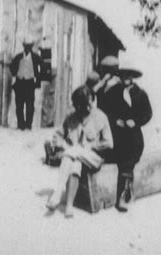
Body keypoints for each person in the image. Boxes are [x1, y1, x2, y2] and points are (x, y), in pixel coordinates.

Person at [45, 85, 113, 218]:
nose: (82, 110)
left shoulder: (100, 117)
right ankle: (69, 207)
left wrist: (92, 146)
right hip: (74, 156)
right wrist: (62, 143)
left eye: (84, 106)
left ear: (89, 104)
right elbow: (58, 136)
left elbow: (109, 143)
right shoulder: (71, 118)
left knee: (73, 152)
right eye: (78, 107)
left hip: (94, 158)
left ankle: (57, 193)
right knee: (74, 164)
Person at [96, 56, 152, 212]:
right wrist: (116, 121)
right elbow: (105, 111)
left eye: (129, 75)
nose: (126, 78)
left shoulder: (140, 94)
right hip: (118, 136)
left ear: (133, 77)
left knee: (127, 161)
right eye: (123, 74)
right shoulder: (114, 91)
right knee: (113, 155)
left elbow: (147, 114)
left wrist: (136, 122)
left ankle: (123, 196)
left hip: (133, 137)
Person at [9, 37, 42, 130]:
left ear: (31, 47)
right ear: (23, 46)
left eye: (29, 46)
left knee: (30, 105)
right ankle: (21, 125)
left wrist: (38, 79)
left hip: (30, 83)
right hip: (20, 83)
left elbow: (43, 67)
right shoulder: (18, 57)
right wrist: (15, 73)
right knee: (19, 105)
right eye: (26, 46)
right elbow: (12, 67)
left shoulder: (35, 57)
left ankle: (28, 125)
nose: (27, 48)